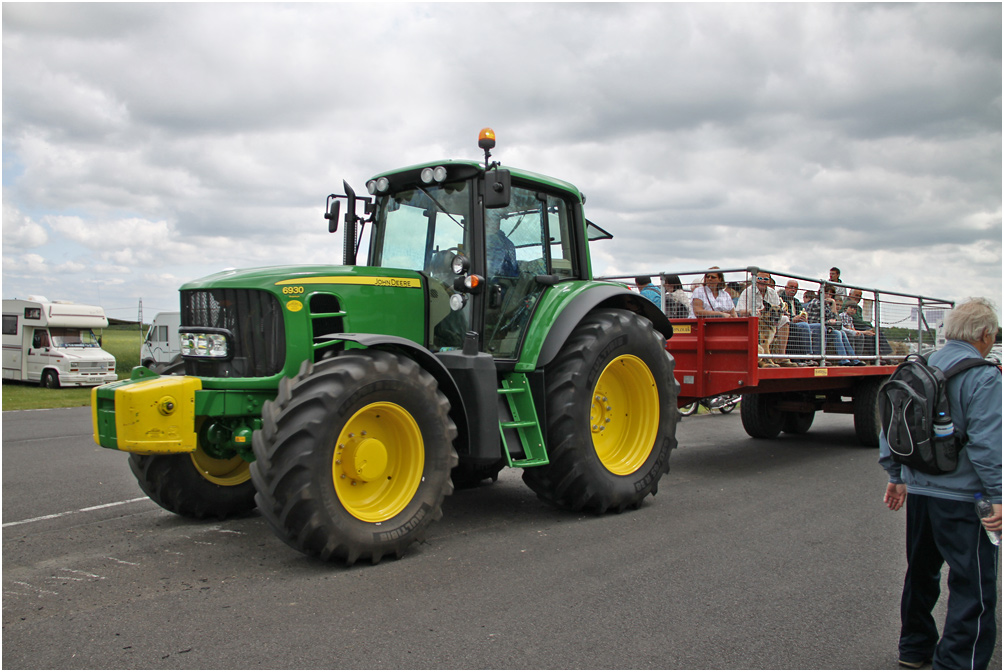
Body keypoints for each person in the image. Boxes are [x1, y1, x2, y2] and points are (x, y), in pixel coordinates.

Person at [879, 297, 1001, 670]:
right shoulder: (984, 375)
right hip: (965, 497)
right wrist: (997, 495)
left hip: (919, 490)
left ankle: (914, 649)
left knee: (921, 573)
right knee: (972, 584)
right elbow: (987, 443)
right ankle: (957, 661)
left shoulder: (918, 366)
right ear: (985, 333)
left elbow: (891, 426)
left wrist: (896, 476)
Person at [736, 272, 793, 366]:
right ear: (755, 279)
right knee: (763, 335)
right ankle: (766, 359)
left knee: (785, 319)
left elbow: (778, 308)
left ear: (769, 281)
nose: (762, 281)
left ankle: (781, 357)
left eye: (765, 279)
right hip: (752, 322)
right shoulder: (747, 292)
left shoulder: (772, 292)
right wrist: (751, 311)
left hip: (768, 320)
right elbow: (740, 311)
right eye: (760, 278)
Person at [804, 286, 862, 365]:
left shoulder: (826, 304)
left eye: (830, 294)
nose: (828, 296)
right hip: (814, 328)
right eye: (826, 293)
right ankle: (820, 358)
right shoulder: (817, 302)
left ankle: (850, 360)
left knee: (840, 333)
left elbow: (834, 319)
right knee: (828, 329)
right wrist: (833, 306)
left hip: (825, 328)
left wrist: (833, 305)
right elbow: (824, 320)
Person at [779, 279, 811, 357]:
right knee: (804, 326)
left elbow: (802, 313)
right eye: (791, 287)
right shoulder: (780, 299)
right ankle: (807, 355)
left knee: (819, 327)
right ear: (786, 288)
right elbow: (781, 315)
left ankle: (819, 357)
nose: (793, 289)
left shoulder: (797, 301)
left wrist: (804, 318)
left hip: (801, 323)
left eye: (795, 288)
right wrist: (793, 319)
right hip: (788, 323)